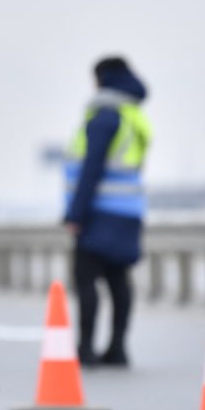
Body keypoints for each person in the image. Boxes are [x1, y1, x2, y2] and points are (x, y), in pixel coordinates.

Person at [63, 55, 152, 368]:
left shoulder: (105, 115)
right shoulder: (134, 116)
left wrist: (75, 214)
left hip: (100, 211)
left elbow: (92, 167)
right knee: (118, 279)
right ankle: (118, 348)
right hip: (129, 211)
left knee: (86, 279)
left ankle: (86, 349)